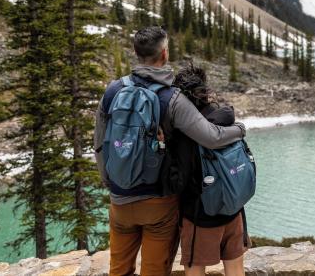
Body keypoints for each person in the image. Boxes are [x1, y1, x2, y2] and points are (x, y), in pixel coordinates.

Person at [94, 26, 246, 276]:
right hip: (158, 203)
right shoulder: (172, 98)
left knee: (119, 270)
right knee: (155, 270)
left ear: (136, 53)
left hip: (120, 200)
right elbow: (211, 137)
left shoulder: (113, 91)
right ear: (164, 53)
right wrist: (239, 129)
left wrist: (109, 182)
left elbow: (100, 144)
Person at [172, 64, 250, 276]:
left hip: (199, 216)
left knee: (195, 271)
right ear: (205, 92)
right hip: (234, 210)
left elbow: (179, 181)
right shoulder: (227, 121)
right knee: (236, 270)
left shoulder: (186, 132)